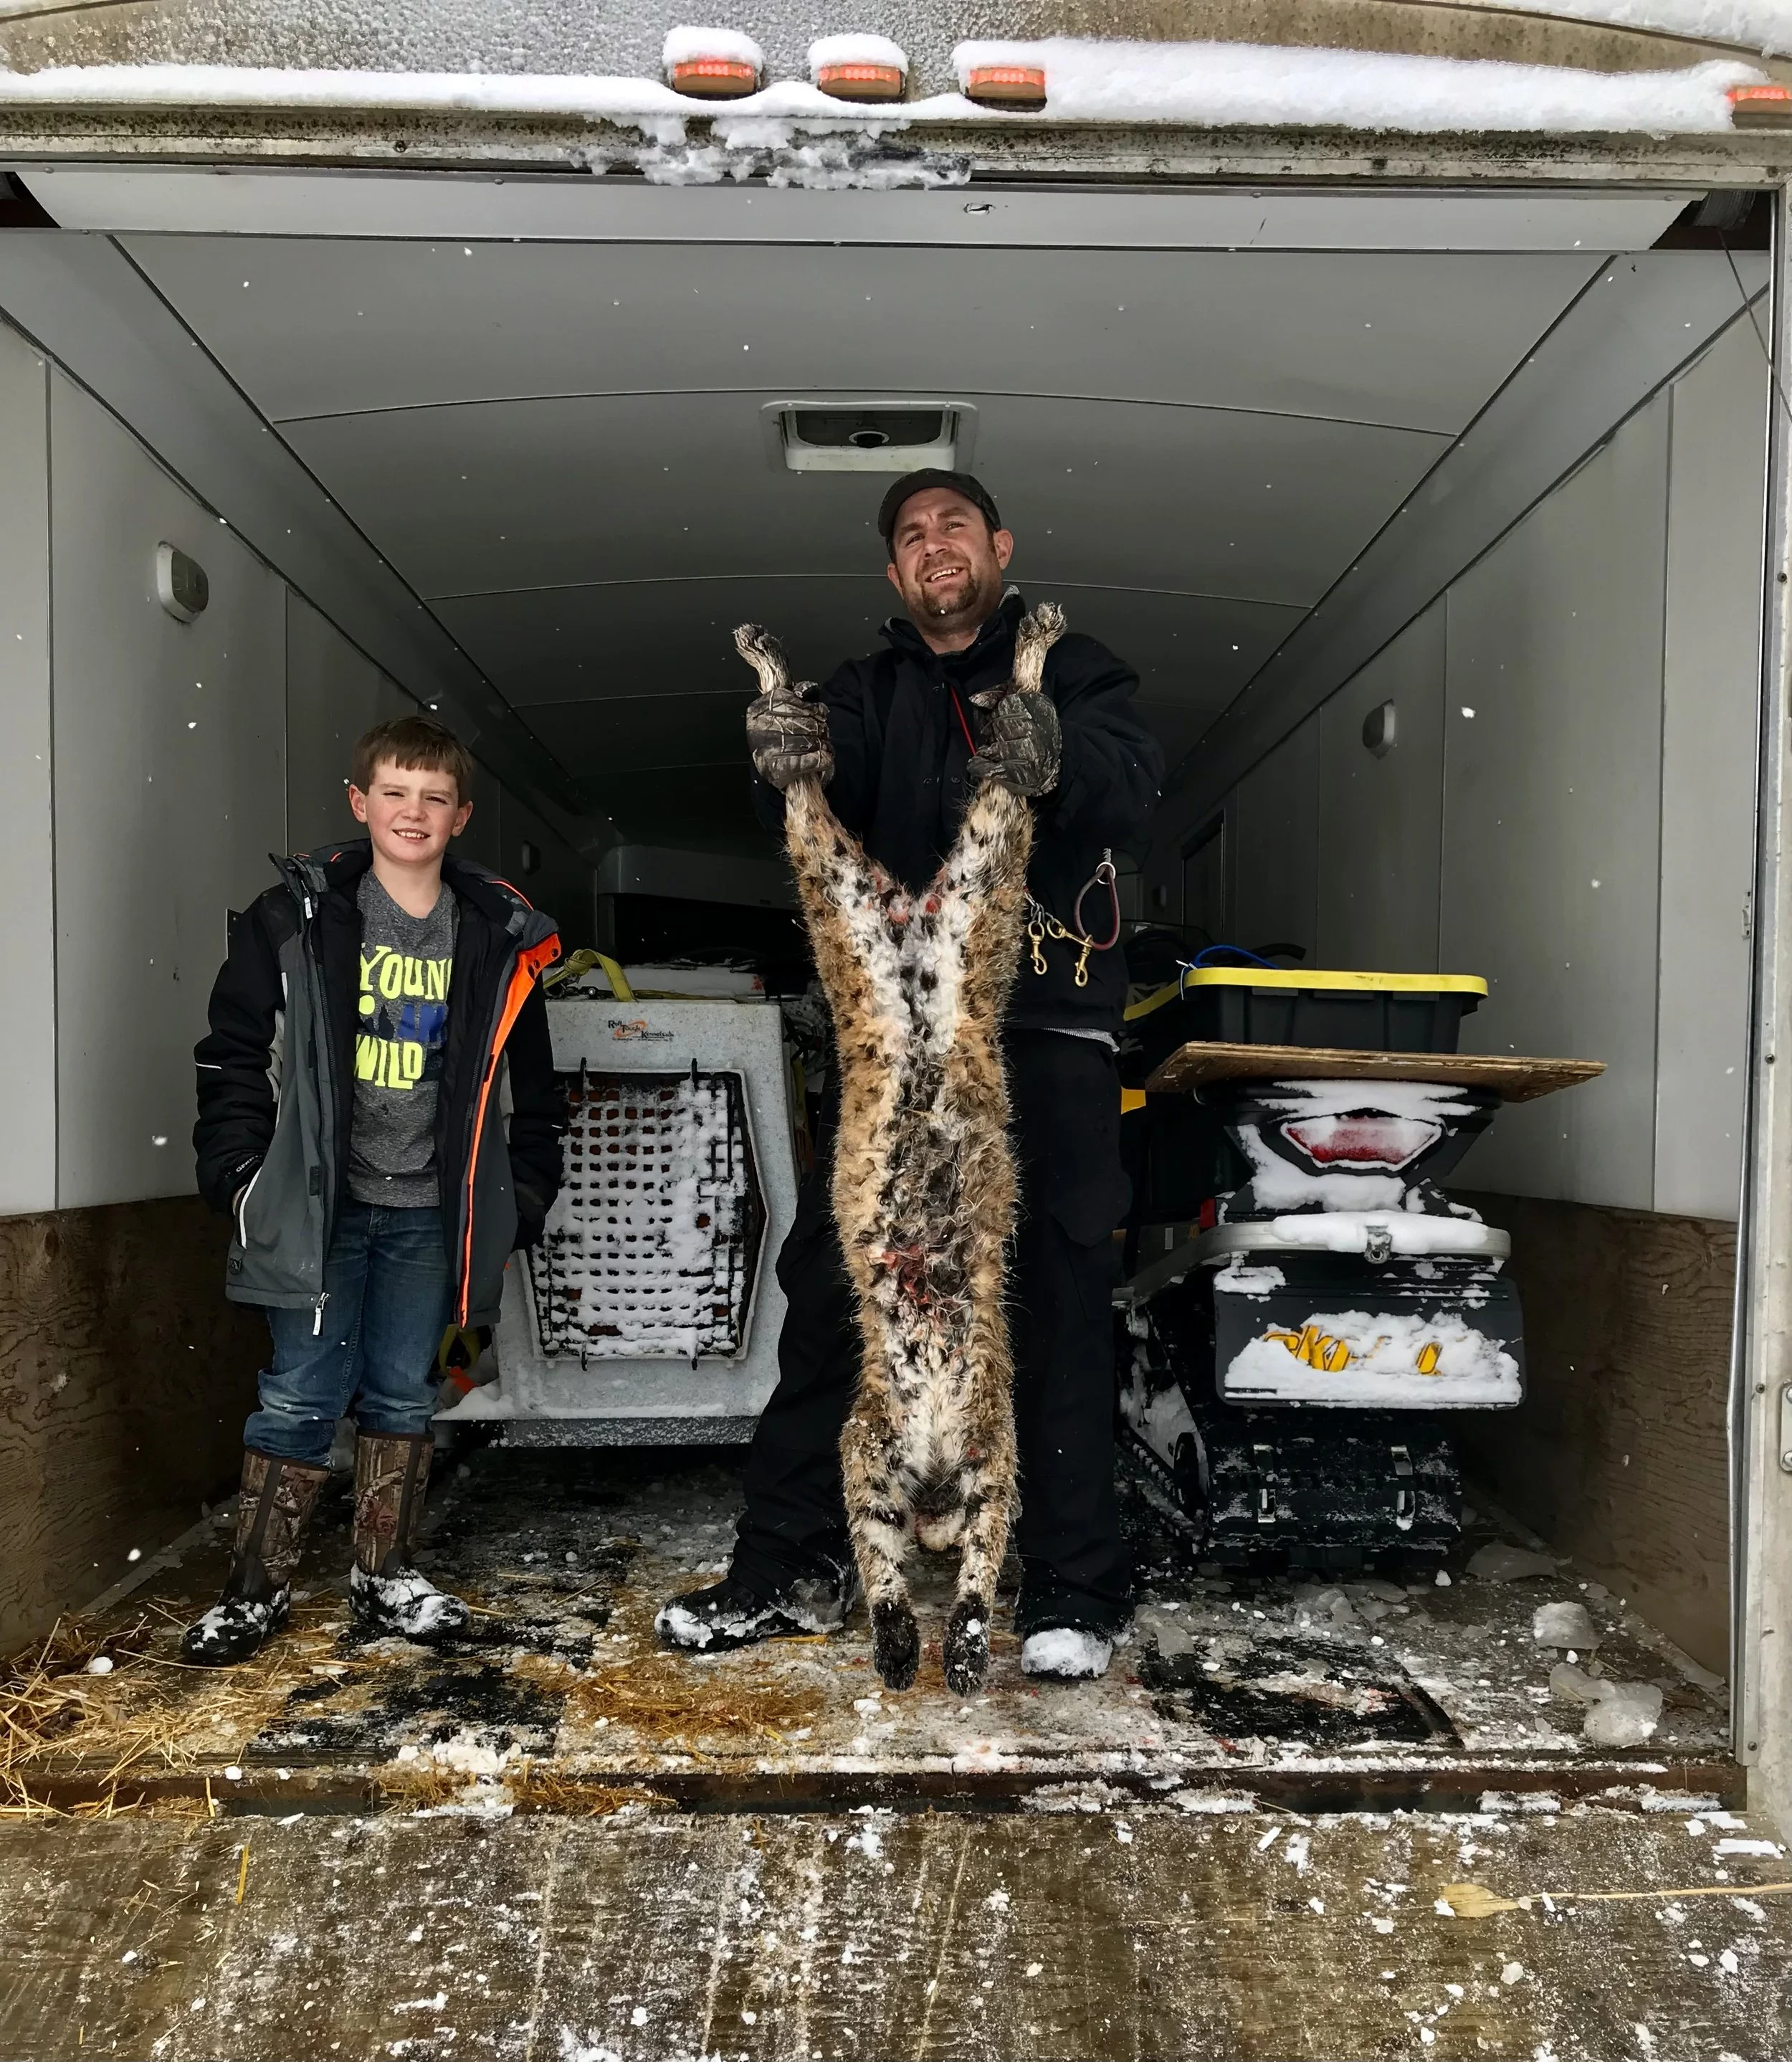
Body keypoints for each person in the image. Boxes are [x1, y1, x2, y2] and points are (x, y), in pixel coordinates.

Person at [658, 470, 1163, 1680]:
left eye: (953, 526)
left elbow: (1127, 777)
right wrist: (772, 753)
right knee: (836, 1296)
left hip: (1044, 1031)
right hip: (896, 1040)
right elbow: (799, 780)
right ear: (895, 575)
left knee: (1058, 1292)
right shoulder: (869, 689)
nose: (933, 547)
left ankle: (1077, 1594)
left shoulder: (1081, 668)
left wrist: (1055, 753)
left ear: (999, 545)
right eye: (909, 537)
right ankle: (783, 1569)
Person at [183, 716, 563, 1666]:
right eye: (395, 793)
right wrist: (241, 1181)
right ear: (361, 804)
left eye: (435, 797)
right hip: (323, 1209)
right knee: (299, 1394)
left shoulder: (499, 938)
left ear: (461, 816)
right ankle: (253, 1589)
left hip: (437, 1217)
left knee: (410, 1387)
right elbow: (233, 1055)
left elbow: (538, 1095)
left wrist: (519, 1198)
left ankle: (384, 1574)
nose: (414, 811)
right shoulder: (296, 920)